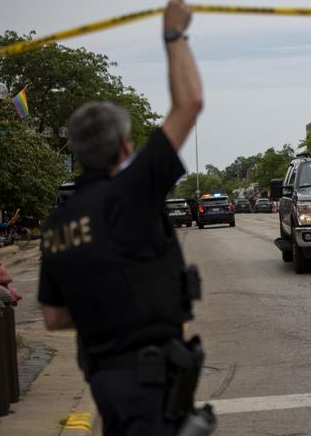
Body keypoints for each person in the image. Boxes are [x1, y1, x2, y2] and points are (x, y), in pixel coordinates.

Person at [37, 1, 203, 435]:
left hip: (104, 380)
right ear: (126, 149)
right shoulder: (131, 193)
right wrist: (174, 35)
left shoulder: (56, 226)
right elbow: (189, 104)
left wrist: (104, 308)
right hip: (147, 379)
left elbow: (54, 318)